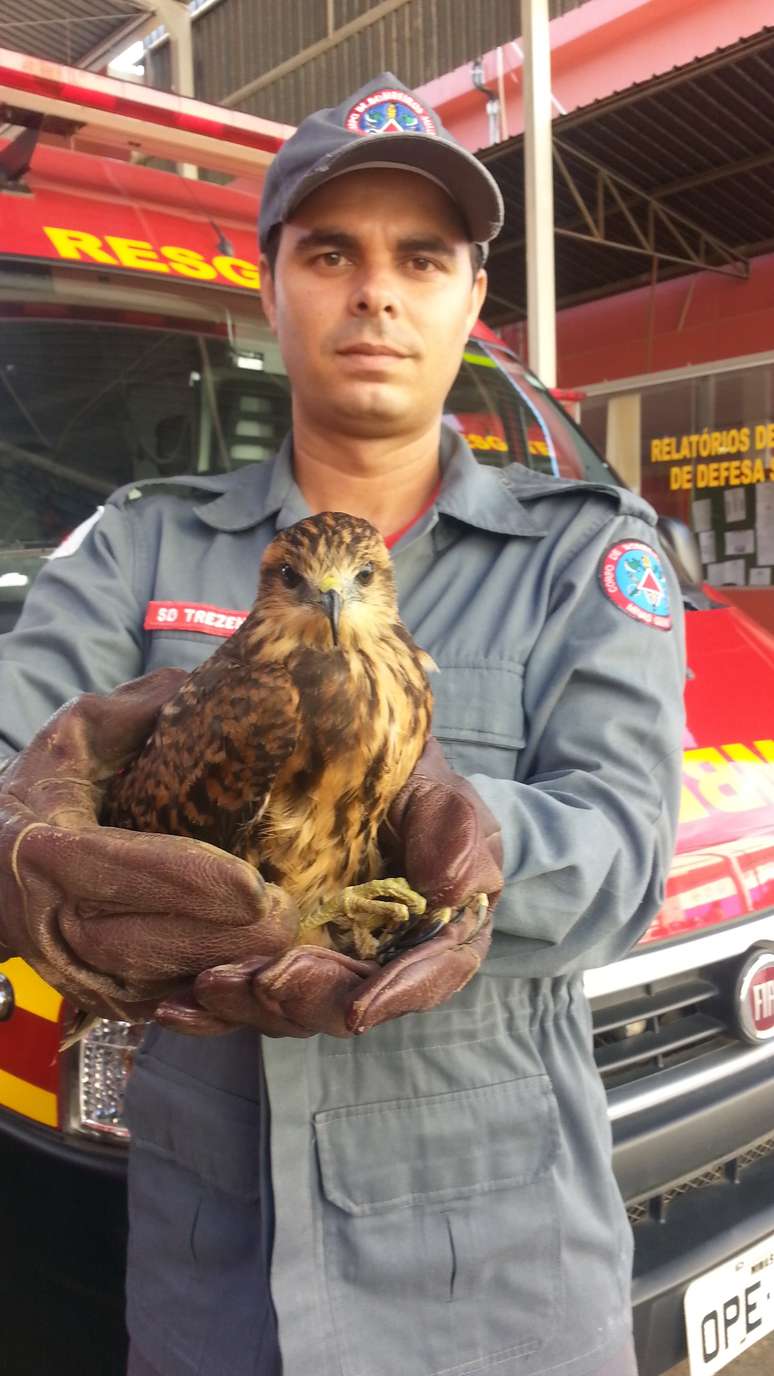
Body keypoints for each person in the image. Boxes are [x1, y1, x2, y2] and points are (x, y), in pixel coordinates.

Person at [0, 73, 685, 1376]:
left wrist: (439, 842)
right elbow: (10, 762)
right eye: (332, 252)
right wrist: (26, 862)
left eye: (419, 257)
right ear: (274, 284)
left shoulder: (583, 555)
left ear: (469, 300)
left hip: (498, 1282)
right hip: (213, 1279)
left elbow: (621, 847)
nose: (375, 290)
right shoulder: (141, 542)